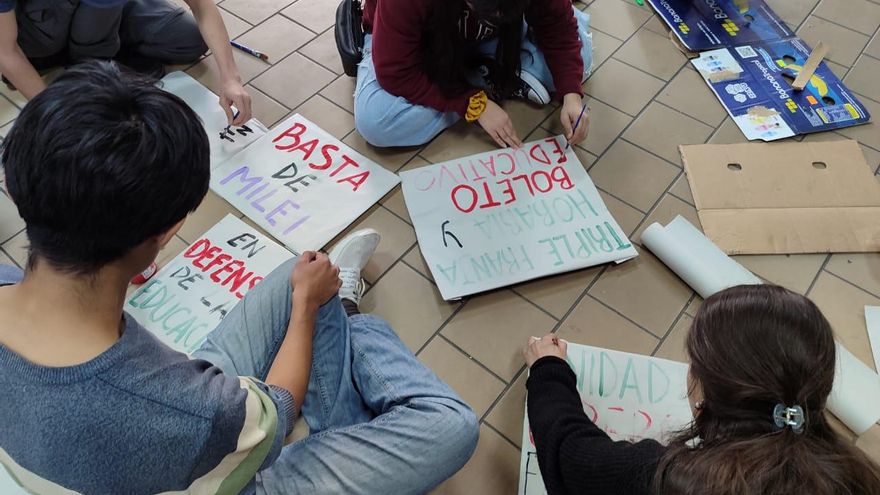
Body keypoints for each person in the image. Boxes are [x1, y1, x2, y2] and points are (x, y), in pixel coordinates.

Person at [0, 61, 478, 494]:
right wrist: (305, 309)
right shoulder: (187, 408)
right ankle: (350, 336)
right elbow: (275, 411)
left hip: (162, 430)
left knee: (302, 273)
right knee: (451, 426)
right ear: (166, 231)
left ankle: (341, 399)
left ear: (16, 185)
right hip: (217, 465)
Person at [523, 284, 880, 495]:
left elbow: (569, 452)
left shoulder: (673, 479)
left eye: (695, 363)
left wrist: (548, 369)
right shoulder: (859, 477)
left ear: (708, 393)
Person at [355, 0, 593, 149]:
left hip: (494, 40)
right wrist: (474, 105)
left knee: (579, 60)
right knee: (376, 122)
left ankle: (480, 74)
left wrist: (572, 97)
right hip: (422, 48)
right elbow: (396, 71)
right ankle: (487, 79)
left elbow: (559, 27)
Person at [0, 0, 252, 125]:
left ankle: (97, 51)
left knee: (188, 39)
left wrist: (231, 78)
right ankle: (79, 57)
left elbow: (201, 5)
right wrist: (56, 111)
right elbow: (5, 51)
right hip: (37, 23)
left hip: (105, 9)